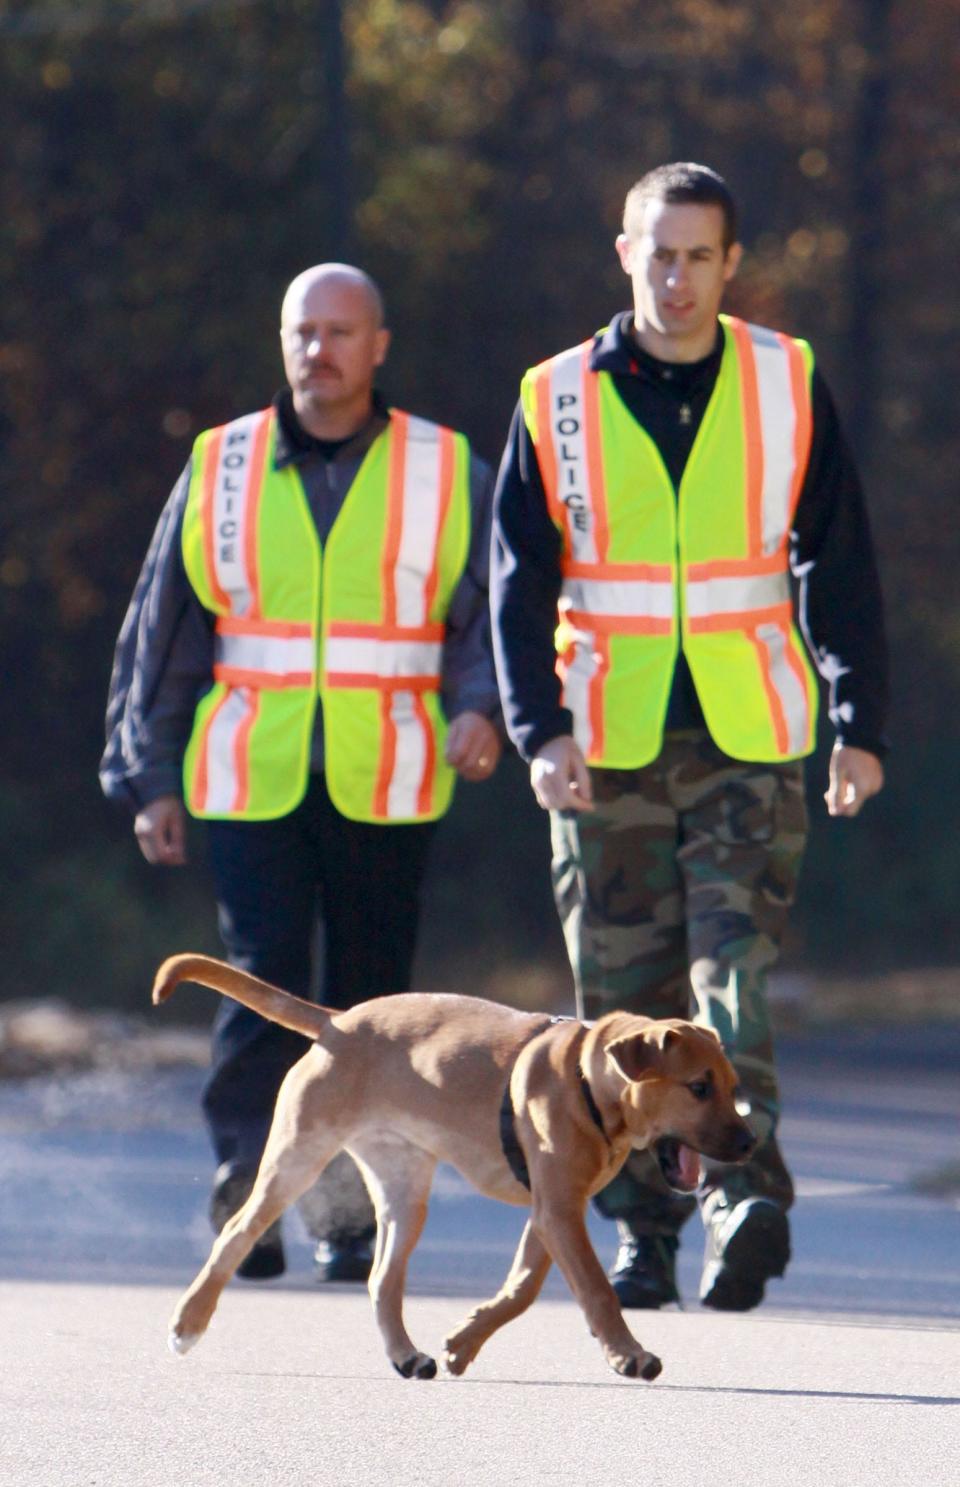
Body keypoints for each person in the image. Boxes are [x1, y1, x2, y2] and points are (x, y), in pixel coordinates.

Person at [490, 163, 887, 1312]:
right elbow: (518, 583)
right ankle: (641, 1233)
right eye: (657, 254)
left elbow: (839, 560)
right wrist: (537, 728)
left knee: (730, 975)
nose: (676, 277)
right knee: (620, 1008)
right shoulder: (554, 394)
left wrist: (859, 723)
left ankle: (742, 1196)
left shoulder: (785, 379)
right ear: (625, 255)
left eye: (698, 256)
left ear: (731, 264)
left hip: (748, 731)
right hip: (603, 739)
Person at [101, 263, 502, 1282]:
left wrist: (482, 706)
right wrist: (146, 774)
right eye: (302, 330)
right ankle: (252, 1181)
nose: (318, 348)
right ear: (283, 341)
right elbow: (165, 629)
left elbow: (489, 616)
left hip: (391, 773)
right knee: (261, 975)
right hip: (251, 773)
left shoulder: (447, 467)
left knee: (374, 1004)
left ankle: (352, 1208)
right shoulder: (221, 463)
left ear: (380, 345)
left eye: (340, 331)